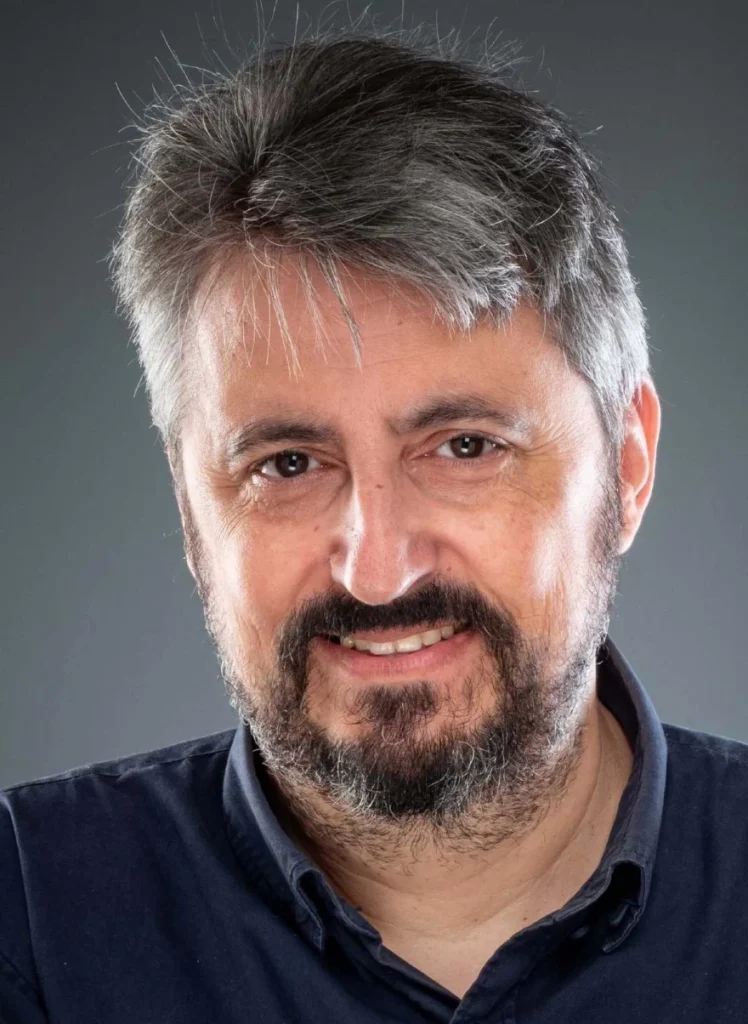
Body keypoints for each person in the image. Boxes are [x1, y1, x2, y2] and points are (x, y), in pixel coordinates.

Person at [2, 25, 746, 1024]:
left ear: (627, 463)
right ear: (190, 510)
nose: (378, 569)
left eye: (465, 446)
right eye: (288, 464)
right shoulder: (27, 918)